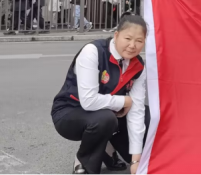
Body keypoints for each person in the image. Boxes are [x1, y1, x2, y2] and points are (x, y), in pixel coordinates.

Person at [51, 15, 148, 175]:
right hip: (71, 111)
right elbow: (88, 101)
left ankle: (108, 148)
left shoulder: (138, 66)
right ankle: (84, 162)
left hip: (109, 113)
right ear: (116, 35)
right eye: (128, 38)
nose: (132, 45)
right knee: (105, 119)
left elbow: (136, 111)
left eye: (139, 41)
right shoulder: (93, 51)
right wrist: (124, 100)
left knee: (147, 116)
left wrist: (136, 160)